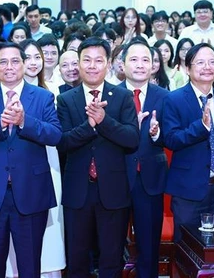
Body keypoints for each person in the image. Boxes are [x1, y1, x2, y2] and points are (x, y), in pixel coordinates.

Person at [0, 41, 62, 277]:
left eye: (15, 61)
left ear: (25, 64)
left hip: (30, 191)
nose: (9, 67)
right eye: (3, 62)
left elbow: (55, 134)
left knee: (29, 265)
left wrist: (24, 122)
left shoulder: (43, 96)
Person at [56, 37, 139, 277]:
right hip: (77, 191)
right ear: (78, 64)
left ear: (109, 64)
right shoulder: (65, 99)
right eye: (87, 60)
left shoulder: (122, 97)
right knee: (77, 258)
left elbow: (132, 138)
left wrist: (104, 121)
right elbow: (63, 142)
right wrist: (90, 125)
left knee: (111, 258)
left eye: (98, 60)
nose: (92, 66)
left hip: (113, 191)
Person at [162, 42, 214, 242]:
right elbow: (171, 139)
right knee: (187, 252)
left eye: (212, 62)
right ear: (187, 68)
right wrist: (202, 127)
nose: (207, 67)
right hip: (188, 192)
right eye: (200, 62)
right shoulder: (174, 99)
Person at [119, 38, 169, 278]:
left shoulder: (165, 96)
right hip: (115, 178)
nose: (140, 65)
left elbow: (172, 136)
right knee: (112, 247)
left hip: (150, 180)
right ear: (122, 64)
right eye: (134, 59)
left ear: (153, 66)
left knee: (149, 248)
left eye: (145, 60)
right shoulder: (111, 94)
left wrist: (156, 133)